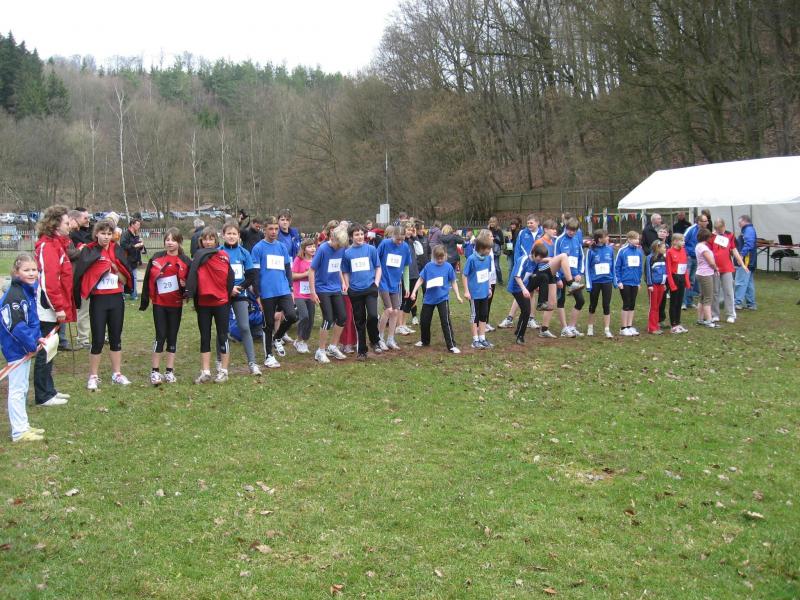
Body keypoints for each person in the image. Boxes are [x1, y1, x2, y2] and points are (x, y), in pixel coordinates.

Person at [73, 219, 133, 390]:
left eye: (109, 234)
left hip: (116, 299)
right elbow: (82, 274)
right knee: (98, 339)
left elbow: (125, 280)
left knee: (115, 338)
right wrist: (99, 272)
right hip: (98, 300)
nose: (106, 237)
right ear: (96, 234)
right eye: (103, 233)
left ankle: (117, 373)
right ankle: (93, 376)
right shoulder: (90, 250)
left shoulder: (117, 250)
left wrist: (115, 268)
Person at [1, 253, 48, 442]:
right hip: (16, 348)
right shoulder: (14, 295)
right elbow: (17, 326)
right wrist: (31, 344)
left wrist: (37, 338)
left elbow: (31, 320)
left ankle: (23, 425)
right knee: (17, 389)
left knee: (23, 387)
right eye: (26, 270)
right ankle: (19, 432)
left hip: (26, 347)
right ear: (16, 272)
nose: (31, 273)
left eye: (34, 270)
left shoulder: (28, 291)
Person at [33, 205, 75, 407]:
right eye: (66, 222)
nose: (69, 226)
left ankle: (50, 390)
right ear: (56, 224)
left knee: (52, 349)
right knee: (45, 351)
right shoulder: (47, 246)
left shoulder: (58, 245)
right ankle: (43, 396)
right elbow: (49, 282)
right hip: (46, 309)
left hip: (55, 307)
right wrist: (58, 307)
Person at [139, 228, 190, 384]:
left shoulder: (186, 261)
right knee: (160, 335)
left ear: (179, 242)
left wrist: (185, 286)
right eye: (167, 239)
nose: (170, 242)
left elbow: (192, 282)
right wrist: (145, 300)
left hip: (176, 304)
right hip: (159, 304)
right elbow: (147, 279)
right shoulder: (156, 257)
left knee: (172, 336)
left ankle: (169, 371)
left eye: (173, 240)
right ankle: (155, 371)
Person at [185, 227, 233, 383]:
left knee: (223, 336)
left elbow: (230, 278)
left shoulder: (224, 256)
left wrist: (226, 294)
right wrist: (189, 291)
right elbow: (192, 275)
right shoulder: (198, 256)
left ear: (216, 240)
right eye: (205, 239)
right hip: (204, 303)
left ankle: (224, 371)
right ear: (201, 241)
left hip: (221, 302)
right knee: (205, 336)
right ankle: (205, 371)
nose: (208, 242)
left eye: (211, 239)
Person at [250, 217, 298, 368]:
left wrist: (290, 288)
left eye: (276, 229)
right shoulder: (258, 248)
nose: (274, 232)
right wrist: (258, 295)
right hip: (267, 292)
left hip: (283, 289)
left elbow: (288, 269)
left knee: (292, 316)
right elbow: (255, 274)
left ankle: (277, 337)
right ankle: (268, 356)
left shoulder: (282, 247)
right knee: (269, 323)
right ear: (264, 229)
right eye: (270, 229)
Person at [220, 221, 261, 375]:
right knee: (222, 329)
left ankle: (252, 363)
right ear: (223, 235)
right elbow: (215, 276)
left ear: (239, 236)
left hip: (240, 294)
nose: (231, 236)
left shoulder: (244, 253)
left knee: (244, 327)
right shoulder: (218, 252)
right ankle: (219, 362)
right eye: (228, 233)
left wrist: (239, 288)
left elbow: (251, 276)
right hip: (222, 295)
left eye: (234, 234)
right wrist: (228, 289)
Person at [342, 222, 383, 359]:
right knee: (359, 321)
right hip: (355, 291)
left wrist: (376, 283)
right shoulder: (347, 253)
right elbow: (345, 271)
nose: (359, 237)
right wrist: (347, 286)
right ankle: (362, 351)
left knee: (372, 316)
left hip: (370, 288)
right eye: (356, 234)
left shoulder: (371, 249)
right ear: (351, 237)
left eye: (361, 234)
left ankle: (375, 341)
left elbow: (378, 267)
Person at [309, 225, 349, 362]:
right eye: (338, 244)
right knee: (328, 319)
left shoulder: (341, 248)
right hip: (322, 288)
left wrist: (343, 282)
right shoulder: (323, 249)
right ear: (332, 238)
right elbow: (311, 270)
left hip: (335, 288)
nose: (339, 247)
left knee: (342, 317)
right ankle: (320, 351)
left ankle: (333, 346)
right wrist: (313, 292)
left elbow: (337, 266)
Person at [411, 245, 462, 352]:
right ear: (434, 256)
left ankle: (451, 345)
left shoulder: (448, 267)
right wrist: (414, 291)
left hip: (442, 298)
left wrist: (458, 295)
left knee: (445, 321)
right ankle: (424, 341)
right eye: (437, 258)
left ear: (445, 255)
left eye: (441, 257)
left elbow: (453, 281)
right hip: (429, 298)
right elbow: (421, 279)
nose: (439, 260)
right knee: (424, 321)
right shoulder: (428, 266)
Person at [376, 226, 412, 350]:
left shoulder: (405, 247)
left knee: (396, 311)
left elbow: (406, 267)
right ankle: (379, 338)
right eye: (397, 239)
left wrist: (407, 286)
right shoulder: (385, 244)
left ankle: (390, 339)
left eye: (402, 239)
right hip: (383, 281)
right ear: (392, 236)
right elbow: (375, 260)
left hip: (395, 283)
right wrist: (376, 278)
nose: (400, 242)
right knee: (388, 310)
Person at [711, 218, 747, 323]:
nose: (719, 231)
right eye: (717, 229)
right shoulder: (711, 236)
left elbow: (734, 250)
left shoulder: (730, 235)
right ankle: (715, 314)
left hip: (726, 267)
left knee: (729, 291)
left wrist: (742, 263)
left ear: (724, 226)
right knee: (715, 291)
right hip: (714, 268)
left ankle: (731, 314)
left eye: (720, 229)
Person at [555, 217, 586, 337]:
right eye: (569, 230)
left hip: (574, 276)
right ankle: (564, 329)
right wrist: (557, 277)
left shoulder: (577, 240)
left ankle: (572, 327)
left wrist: (579, 273)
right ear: (565, 228)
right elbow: (555, 258)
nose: (571, 232)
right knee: (561, 300)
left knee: (580, 300)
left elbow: (581, 257)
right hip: (562, 275)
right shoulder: (560, 240)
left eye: (574, 230)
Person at [462, 234, 494, 348]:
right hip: (474, 294)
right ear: (481, 248)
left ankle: (482, 337)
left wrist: (489, 287)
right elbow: (464, 275)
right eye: (488, 249)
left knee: (484, 315)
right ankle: (475, 340)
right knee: (475, 316)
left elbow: (487, 274)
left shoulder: (488, 258)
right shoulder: (471, 259)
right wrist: (466, 291)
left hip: (484, 293)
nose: (490, 251)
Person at [68, 208, 93, 349]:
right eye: (85, 218)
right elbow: (69, 253)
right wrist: (80, 250)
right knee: (84, 309)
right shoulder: (71, 235)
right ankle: (83, 338)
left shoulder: (92, 230)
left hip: (92, 275)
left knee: (94, 308)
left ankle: (98, 335)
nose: (88, 220)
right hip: (80, 275)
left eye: (89, 217)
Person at [585, 229, 615, 338]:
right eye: (606, 236)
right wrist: (589, 284)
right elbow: (587, 268)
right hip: (595, 282)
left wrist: (614, 281)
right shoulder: (591, 251)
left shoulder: (610, 249)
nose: (608, 238)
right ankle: (590, 328)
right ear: (599, 239)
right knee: (593, 305)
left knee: (606, 305)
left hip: (607, 281)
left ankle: (607, 329)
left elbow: (613, 266)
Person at [614, 230, 644, 336]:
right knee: (626, 304)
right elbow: (617, 267)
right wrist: (619, 281)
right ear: (629, 239)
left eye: (638, 239)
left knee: (632, 304)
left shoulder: (639, 252)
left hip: (634, 282)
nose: (637, 241)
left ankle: (629, 326)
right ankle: (623, 328)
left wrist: (638, 282)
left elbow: (640, 267)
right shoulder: (622, 251)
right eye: (635, 239)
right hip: (625, 282)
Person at [291, 239, 317, 354]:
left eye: (313, 246)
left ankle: (304, 341)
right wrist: (306, 274)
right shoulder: (298, 260)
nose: (312, 249)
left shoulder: (316, 260)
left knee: (311, 319)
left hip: (311, 293)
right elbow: (292, 276)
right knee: (304, 316)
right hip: (299, 293)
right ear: (304, 249)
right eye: (309, 247)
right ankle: (299, 340)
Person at [397, 221, 422, 335]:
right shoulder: (400, 243)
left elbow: (420, 252)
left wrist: (415, 237)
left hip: (414, 273)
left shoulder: (412, 241)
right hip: (404, 275)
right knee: (403, 300)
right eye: (408, 229)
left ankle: (403, 324)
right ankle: (399, 325)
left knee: (412, 299)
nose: (410, 231)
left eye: (411, 229)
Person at [694, 228, 721, 328]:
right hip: (706, 274)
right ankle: (709, 320)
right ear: (707, 237)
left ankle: (700, 319)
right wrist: (716, 268)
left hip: (701, 273)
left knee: (702, 297)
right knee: (708, 298)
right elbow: (710, 262)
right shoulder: (703, 248)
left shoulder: (699, 246)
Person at [683, 212, 709, 308]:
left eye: (707, 221)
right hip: (689, 257)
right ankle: (683, 302)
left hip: (697, 258)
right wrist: (686, 254)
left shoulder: (705, 230)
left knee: (692, 280)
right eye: (704, 221)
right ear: (699, 222)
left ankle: (689, 301)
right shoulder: (691, 229)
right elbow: (683, 241)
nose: (707, 222)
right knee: (686, 279)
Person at [666, 233, 690, 334]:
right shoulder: (670, 252)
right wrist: (671, 284)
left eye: (684, 240)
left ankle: (678, 322)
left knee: (679, 302)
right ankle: (673, 324)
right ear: (675, 241)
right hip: (674, 278)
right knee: (674, 302)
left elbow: (685, 267)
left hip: (682, 278)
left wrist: (687, 281)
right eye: (682, 240)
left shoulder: (683, 251)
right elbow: (668, 269)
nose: (684, 242)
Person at [734, 215, 757, 310]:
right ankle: (751, 304)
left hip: (746, 261)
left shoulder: (748, 230)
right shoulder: (748, 229)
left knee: (740, 281)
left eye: (739, 222)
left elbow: (749, 244)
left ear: (745, 221)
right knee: (748, 283)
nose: (739, 224)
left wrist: (741, 255)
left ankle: (737, 303)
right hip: (750, 261)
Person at [645, 240, 668, 334]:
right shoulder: (650, 258)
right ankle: (651, 328)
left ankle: (656, 325)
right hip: (653, 285)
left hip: (661, 285)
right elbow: (648, 272)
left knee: (658, 306)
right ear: (658, 248)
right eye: (664, 247)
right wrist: (650, 284)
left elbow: (665, 272)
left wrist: (664, 283)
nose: (665, 249)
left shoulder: (663, 258)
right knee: (653, 306)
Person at [120, 217, 146, 300]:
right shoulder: (125, 234)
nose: (139, 226)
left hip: (134, 260)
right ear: (132, 225)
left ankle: (134, 295)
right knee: (124, 277)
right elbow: (123, 245)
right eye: (137, 224)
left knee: (134, 277)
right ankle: (122, 295)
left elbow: (139, 248)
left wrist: (141, 245)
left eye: (139, 225)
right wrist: (134, 246)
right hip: (126, 260)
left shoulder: (136, 235)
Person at [488, 216, 504, 285]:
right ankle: (489, 279)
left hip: (496, 250)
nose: (492, 223)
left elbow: (502, 242)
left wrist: (495, 239)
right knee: (488, 265)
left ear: (496, 223)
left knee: (496, 266)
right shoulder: (488, 230)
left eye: (493, 222)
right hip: (488, 250)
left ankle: (500, 280)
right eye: (490, 222)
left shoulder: (499, 231)